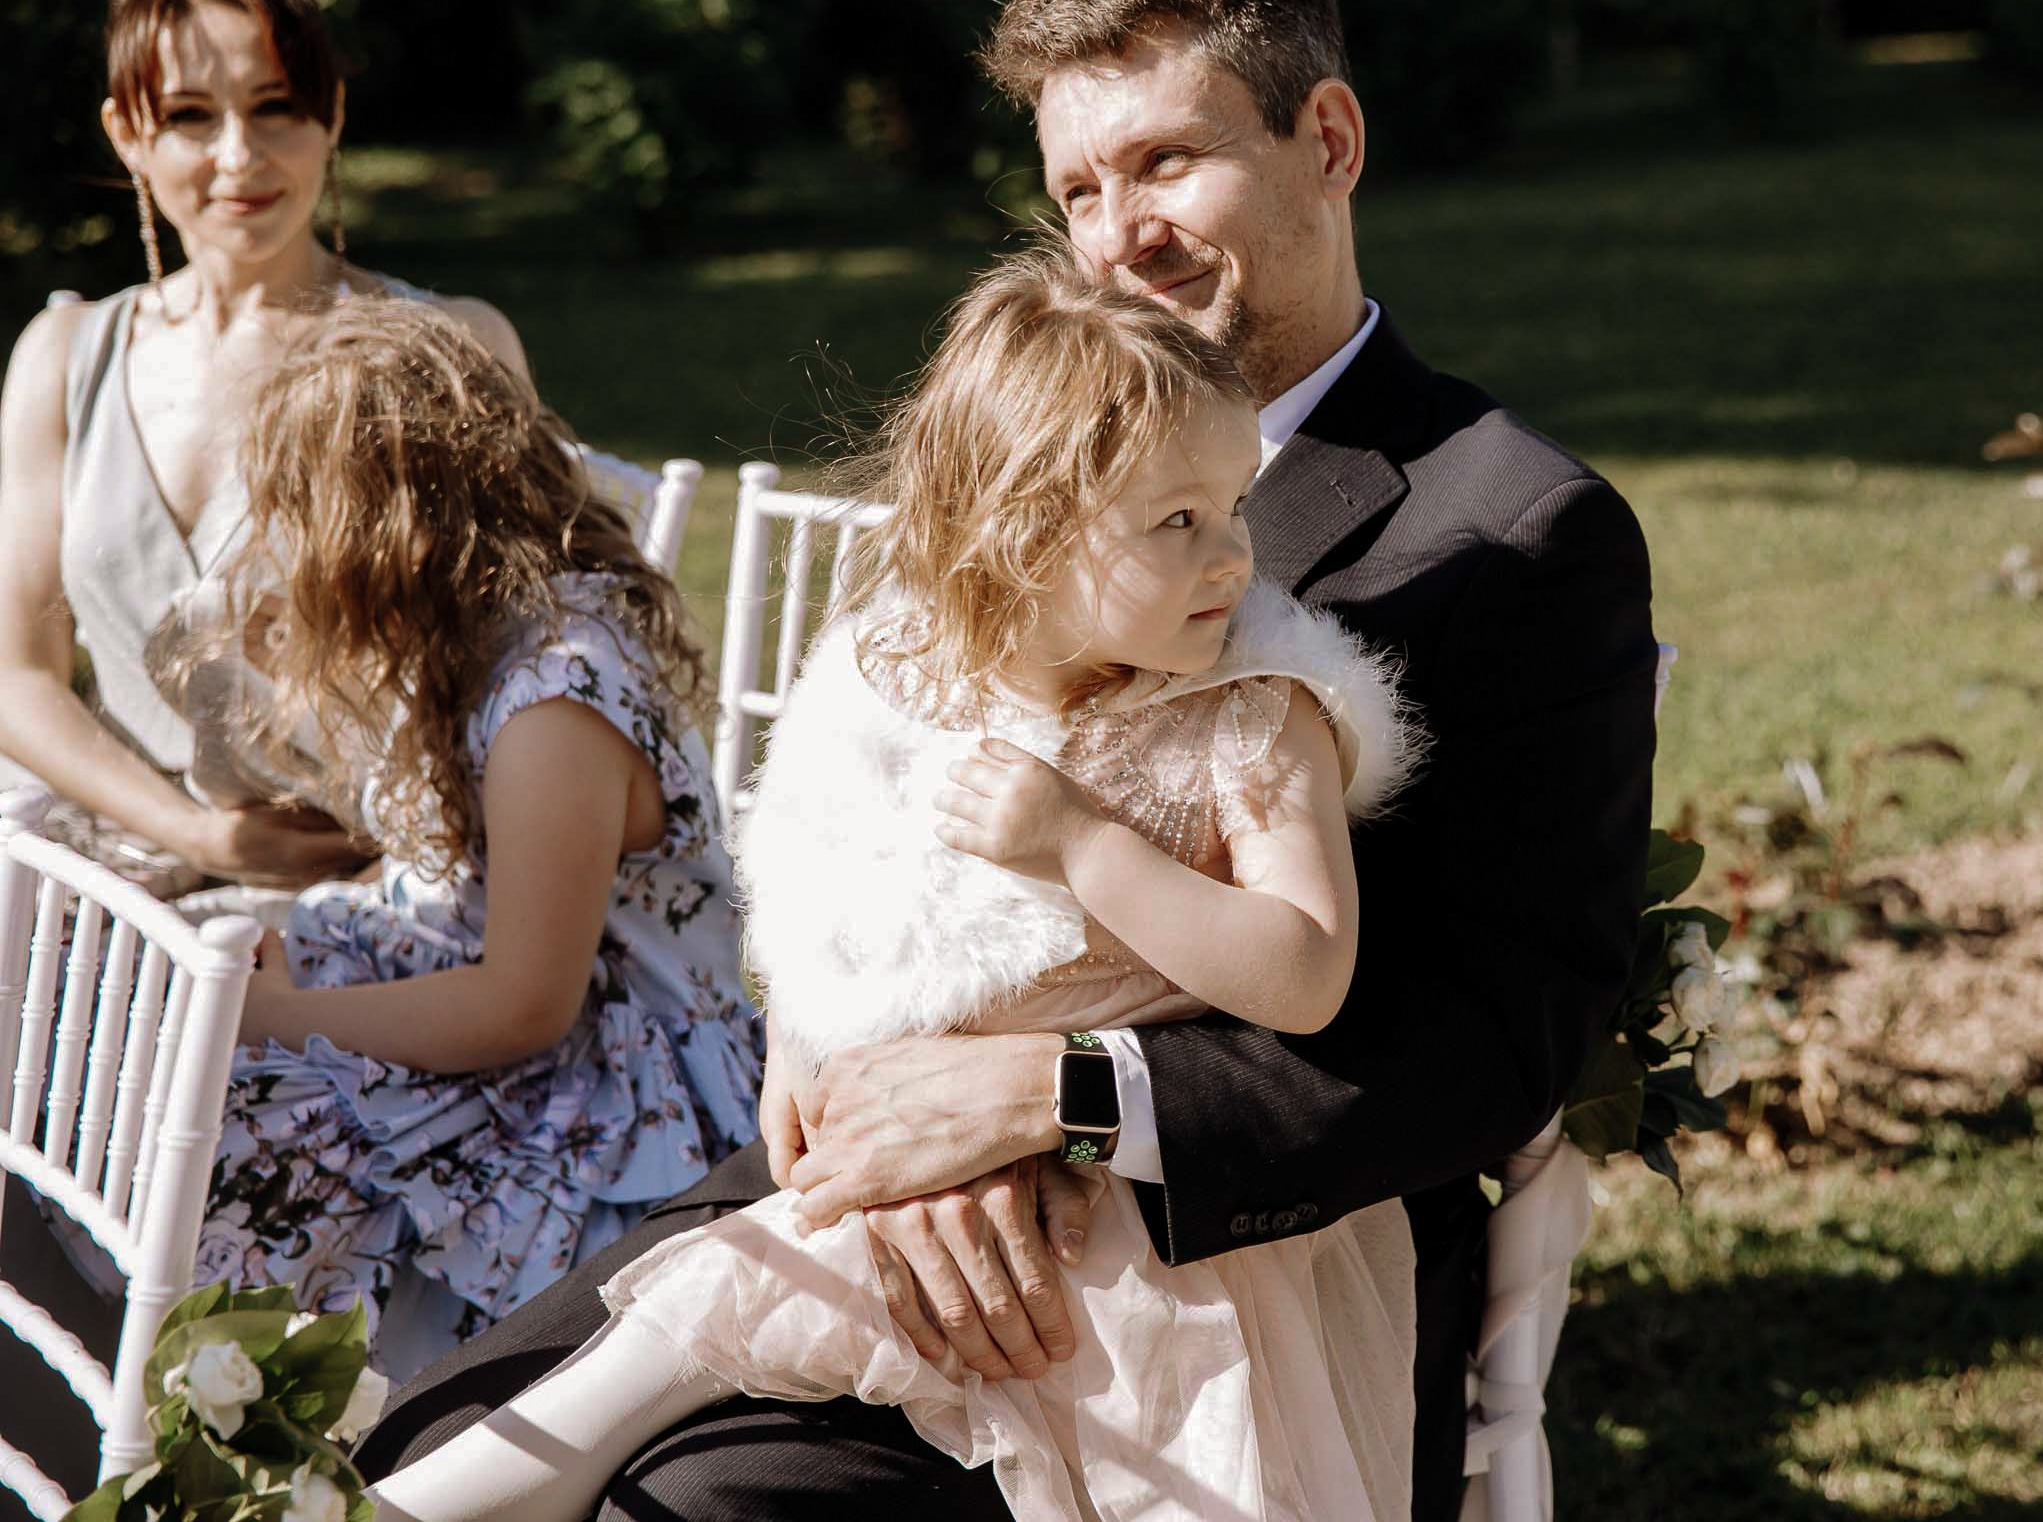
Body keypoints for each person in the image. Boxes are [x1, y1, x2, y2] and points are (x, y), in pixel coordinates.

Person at [360, 0, 1656, 1517]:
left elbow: (1495, 1039)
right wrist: (842, 1060)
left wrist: (1068, 1098)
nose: (1122, 238)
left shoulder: (1512, 531)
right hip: (878, 1157)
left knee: (683, 1506)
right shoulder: (1043, 443)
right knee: (436, 1449)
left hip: (1221, 1268)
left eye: (1166, 162)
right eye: (1080, 194)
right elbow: (865, 794)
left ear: (1327, 140)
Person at [369, 244, 1428, 1521]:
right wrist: (808, 1036)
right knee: (680, 1329)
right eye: (1177, 522)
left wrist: (1090, 848)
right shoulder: (913, 681)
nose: (1232, 559)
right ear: (1024, 536)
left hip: (1163, 1241)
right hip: (906, 1180)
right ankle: (435, 1498)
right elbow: (825, 894)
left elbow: (1306, 972)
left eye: (1234, 506)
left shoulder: (1257, 712)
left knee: (721, 1323)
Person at [172, 299, 761, 1379]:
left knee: (242, 1111)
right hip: (523, 1003)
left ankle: (237, 1410)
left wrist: (283, 1017)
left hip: (625, 1093)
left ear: (387, 531)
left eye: (297, 517)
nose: (281, 550)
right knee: (179, 1045)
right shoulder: (475, 632)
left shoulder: (554, 701)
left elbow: (526, 1003)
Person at [0, 0, 529, 896]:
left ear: (332, 114)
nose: (240, 157)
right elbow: (16, 677)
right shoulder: (63, 360)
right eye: (192, 116)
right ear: (128, 134)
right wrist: (196, 839)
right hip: (118, 882)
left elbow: (528, 671)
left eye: (276, 106)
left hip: (374, 892)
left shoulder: (450, 350)